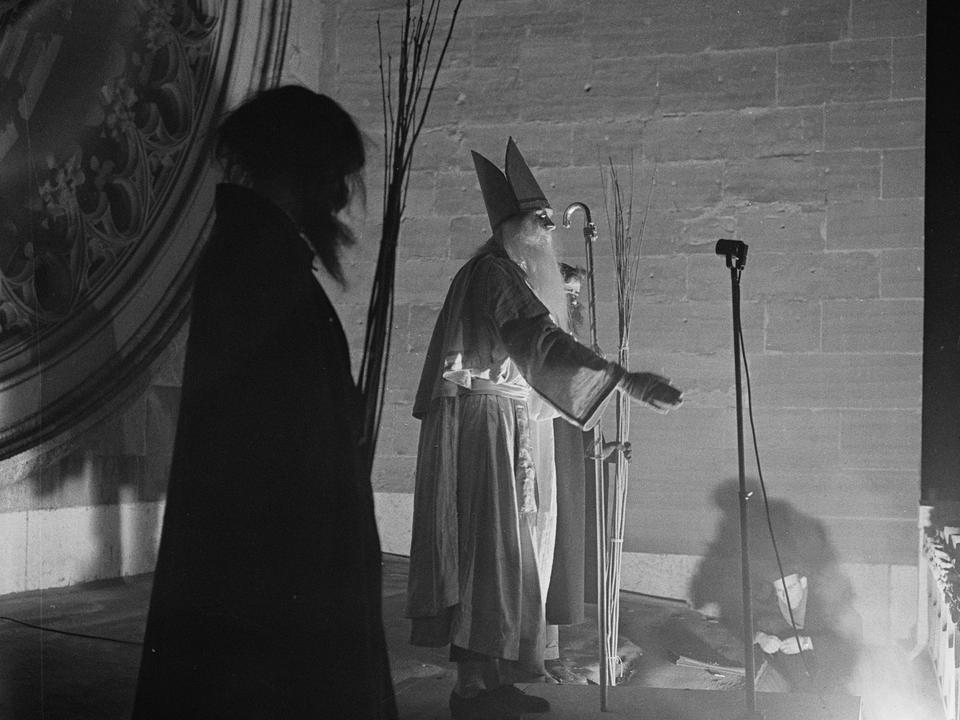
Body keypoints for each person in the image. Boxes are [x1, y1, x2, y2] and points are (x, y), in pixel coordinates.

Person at [132, 86, 397, 719]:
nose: (338, 197)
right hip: (271, 573)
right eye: (332, 176)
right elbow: (267, 441)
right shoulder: (255, 264)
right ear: (299, 168)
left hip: (281, 559)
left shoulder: (263, 254)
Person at [405, 138, 682, 720]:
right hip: (483, 428)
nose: (550, 232)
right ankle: (474, 690)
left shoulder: (507, 272)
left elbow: (540, 348)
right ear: (512, 226)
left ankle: (495, 679)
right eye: (541, 221)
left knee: (515, 557)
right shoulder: (494, 274)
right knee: (491, 555)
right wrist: (625, 381)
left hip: (507, 422)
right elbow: (539, 343)